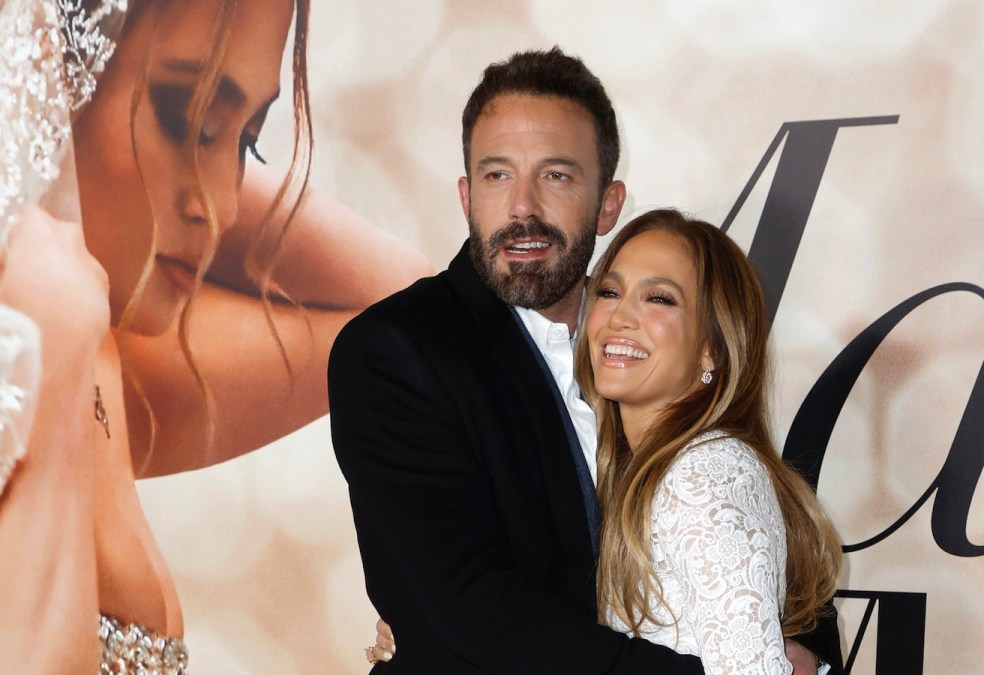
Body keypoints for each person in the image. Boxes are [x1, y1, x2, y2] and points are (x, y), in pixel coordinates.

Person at [331, 48, 840, 674]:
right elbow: (472, 607)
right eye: (496, 176)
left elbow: (748, 527)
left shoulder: (650, 340)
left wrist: (805, 650)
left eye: (557, 176)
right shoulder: (394, 351)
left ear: (607, 203)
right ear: (465, 195)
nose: (522, 208)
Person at [0, 0, 431, 671]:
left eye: (248, 140)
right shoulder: (40, 338)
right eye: (187, 118)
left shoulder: (103, 354)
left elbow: (406, 311)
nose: (221, 203)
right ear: (54, 74)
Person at [579, 208, 843, 674]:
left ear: (712, 348)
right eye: (609, 291)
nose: (619, 316)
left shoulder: (707, 472)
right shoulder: (643, 468)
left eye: (658, 298)